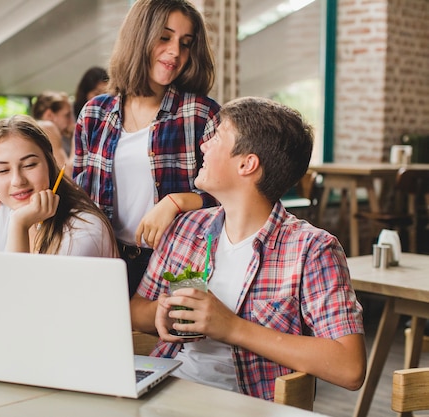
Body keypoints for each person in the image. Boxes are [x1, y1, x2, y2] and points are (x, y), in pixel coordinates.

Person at [130, 97, 367, 401]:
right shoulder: (185, 229)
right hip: (167, 391)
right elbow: (136, 312)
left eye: (216, 136)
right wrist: (162, 312)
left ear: (247, 164)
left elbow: (350, 368)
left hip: (248, 406)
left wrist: (231, 327)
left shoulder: (312, 249)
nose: (204, 145)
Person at [73, 0, 221, 298]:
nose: (175, 52)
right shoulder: (94, 113)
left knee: (179, 341)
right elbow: (78, 195)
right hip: (104, 260)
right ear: (139, 37)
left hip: (182, 264)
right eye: (164, 38)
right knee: (105, 341)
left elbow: (227, 199)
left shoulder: (201, 114)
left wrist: (176, 202)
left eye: (186, 43)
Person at [0, 114, 117, 257]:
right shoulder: (3, 209)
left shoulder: (83, 230)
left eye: (30, 165)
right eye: (3, 171)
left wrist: (19, 224)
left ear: (50, 163)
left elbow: (17, 281)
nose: (17, 181)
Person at [32, 90, 76, 173]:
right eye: (67, 115)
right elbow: (67, 174)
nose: (71, 122)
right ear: (49, 115)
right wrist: (78, 136)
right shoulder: (47, 127)